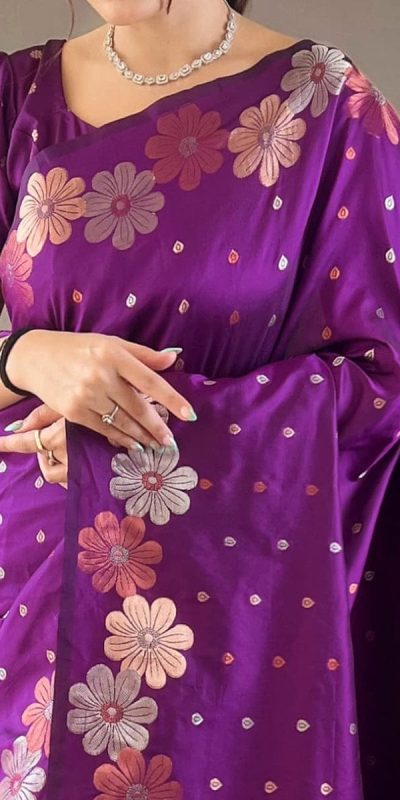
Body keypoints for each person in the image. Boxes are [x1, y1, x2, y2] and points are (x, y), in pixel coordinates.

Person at [0, 1, 399, 797]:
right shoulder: (18, 97)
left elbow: (382, 388)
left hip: (215, 623)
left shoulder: (326, 107)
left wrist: (147, 435)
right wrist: (25, 357)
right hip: (21, 588)